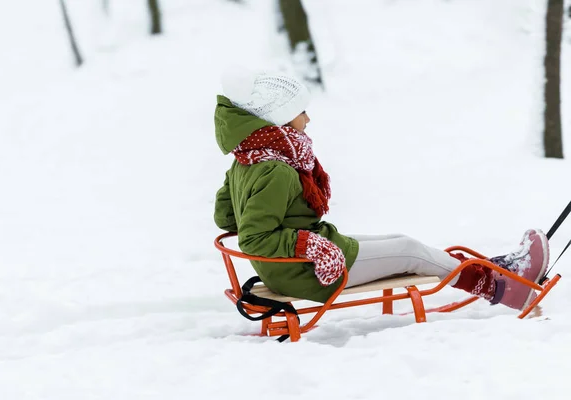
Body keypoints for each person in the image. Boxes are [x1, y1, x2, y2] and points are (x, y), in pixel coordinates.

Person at [213, 68, 549, 311]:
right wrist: (306, 243)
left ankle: (497, 268)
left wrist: (266, 214)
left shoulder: (247, 159)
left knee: (402, 241)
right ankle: (501, 287)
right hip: (305, 270)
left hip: (299, 259)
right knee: (408, 250)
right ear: (280, 116)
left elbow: (225, 216)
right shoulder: (275, 168)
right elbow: (254, 239)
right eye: (302, 112)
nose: (308, 120)